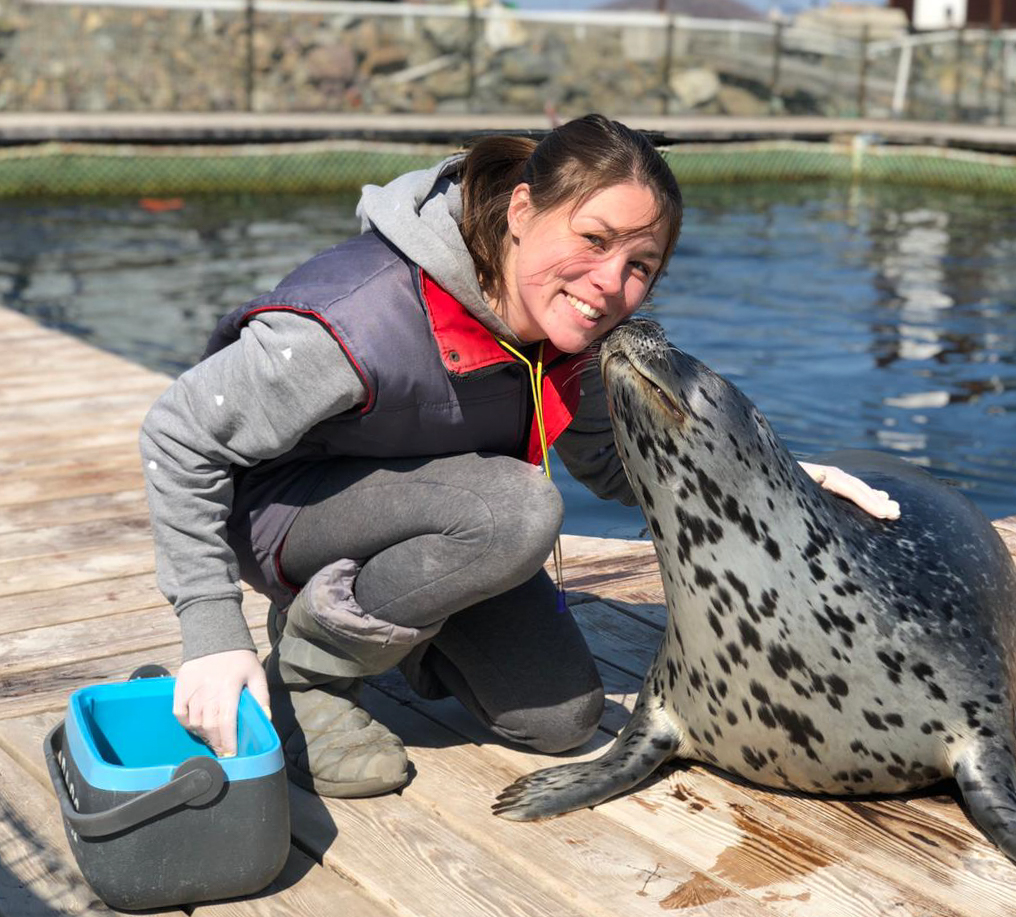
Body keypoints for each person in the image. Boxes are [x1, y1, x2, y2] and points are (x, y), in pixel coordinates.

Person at [140, 113, 899, 799]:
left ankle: (393, 619)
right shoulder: (356, 320)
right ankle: (308, 673)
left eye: (641, 266)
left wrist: (773, 483)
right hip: (285, 514)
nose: (611, 285)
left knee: (562, 718)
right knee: (517, 507)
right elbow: (179, 434)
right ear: (522, 210)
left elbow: (610, 466)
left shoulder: (571, 329)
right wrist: (211, 633)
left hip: (446, 521)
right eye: (594, 239)